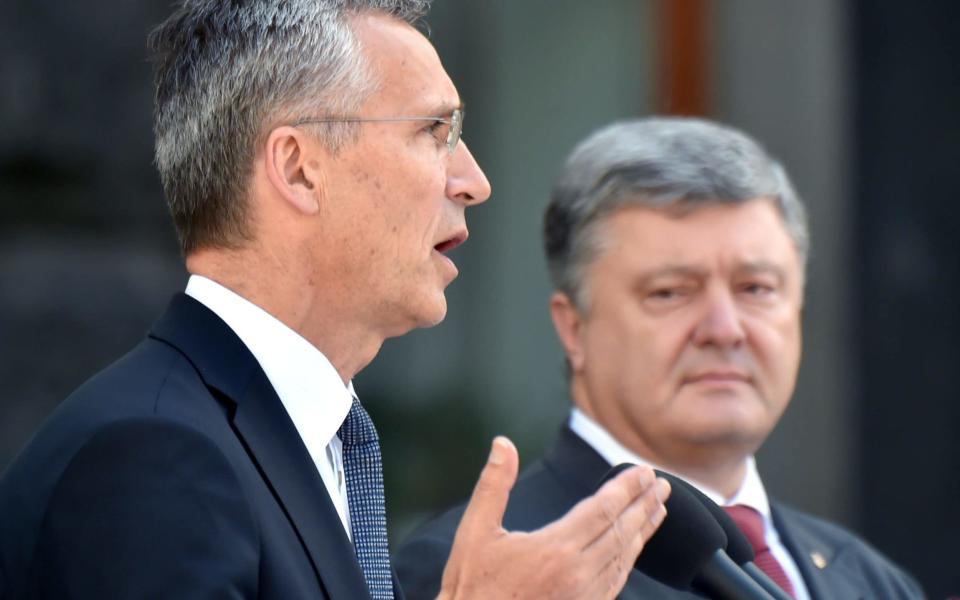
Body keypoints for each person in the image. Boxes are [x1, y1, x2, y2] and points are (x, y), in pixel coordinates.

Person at [0, 3, 672, 599]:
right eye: (434, 131)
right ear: (298, 168)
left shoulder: (296, 439)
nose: (473, 181)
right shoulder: (150, 456)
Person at [394, 117, 926, 599]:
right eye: (670, 292)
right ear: (574, 327)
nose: (724, 330)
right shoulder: (480, 574)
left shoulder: (872, 581)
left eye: (756, 288)